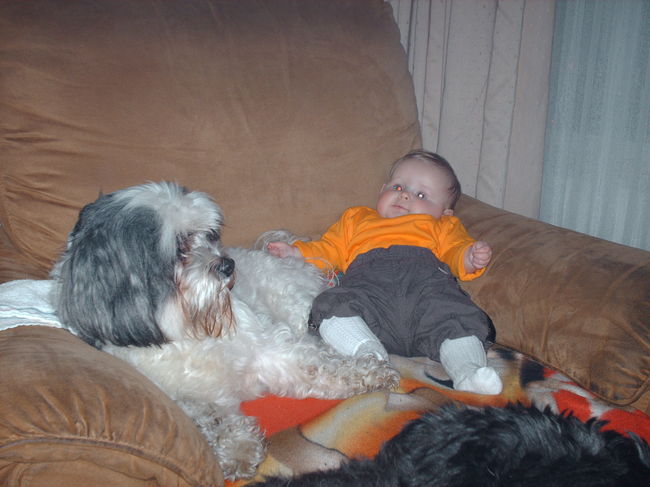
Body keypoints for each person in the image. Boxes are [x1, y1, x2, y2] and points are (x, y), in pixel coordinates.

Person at [268, 150, 502, 395]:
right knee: (330, 305)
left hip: (426, 292)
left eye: (421, 195)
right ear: (382, 190)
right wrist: (297, 252)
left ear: (444, 213)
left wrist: (470, 257)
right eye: (398, 187)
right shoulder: (356, 219)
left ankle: (468, 371)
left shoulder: (442, 226)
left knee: (458, 317)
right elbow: (328, 249)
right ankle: (369, 354)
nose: (405, 195)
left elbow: (455, 251)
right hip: (369, 296)